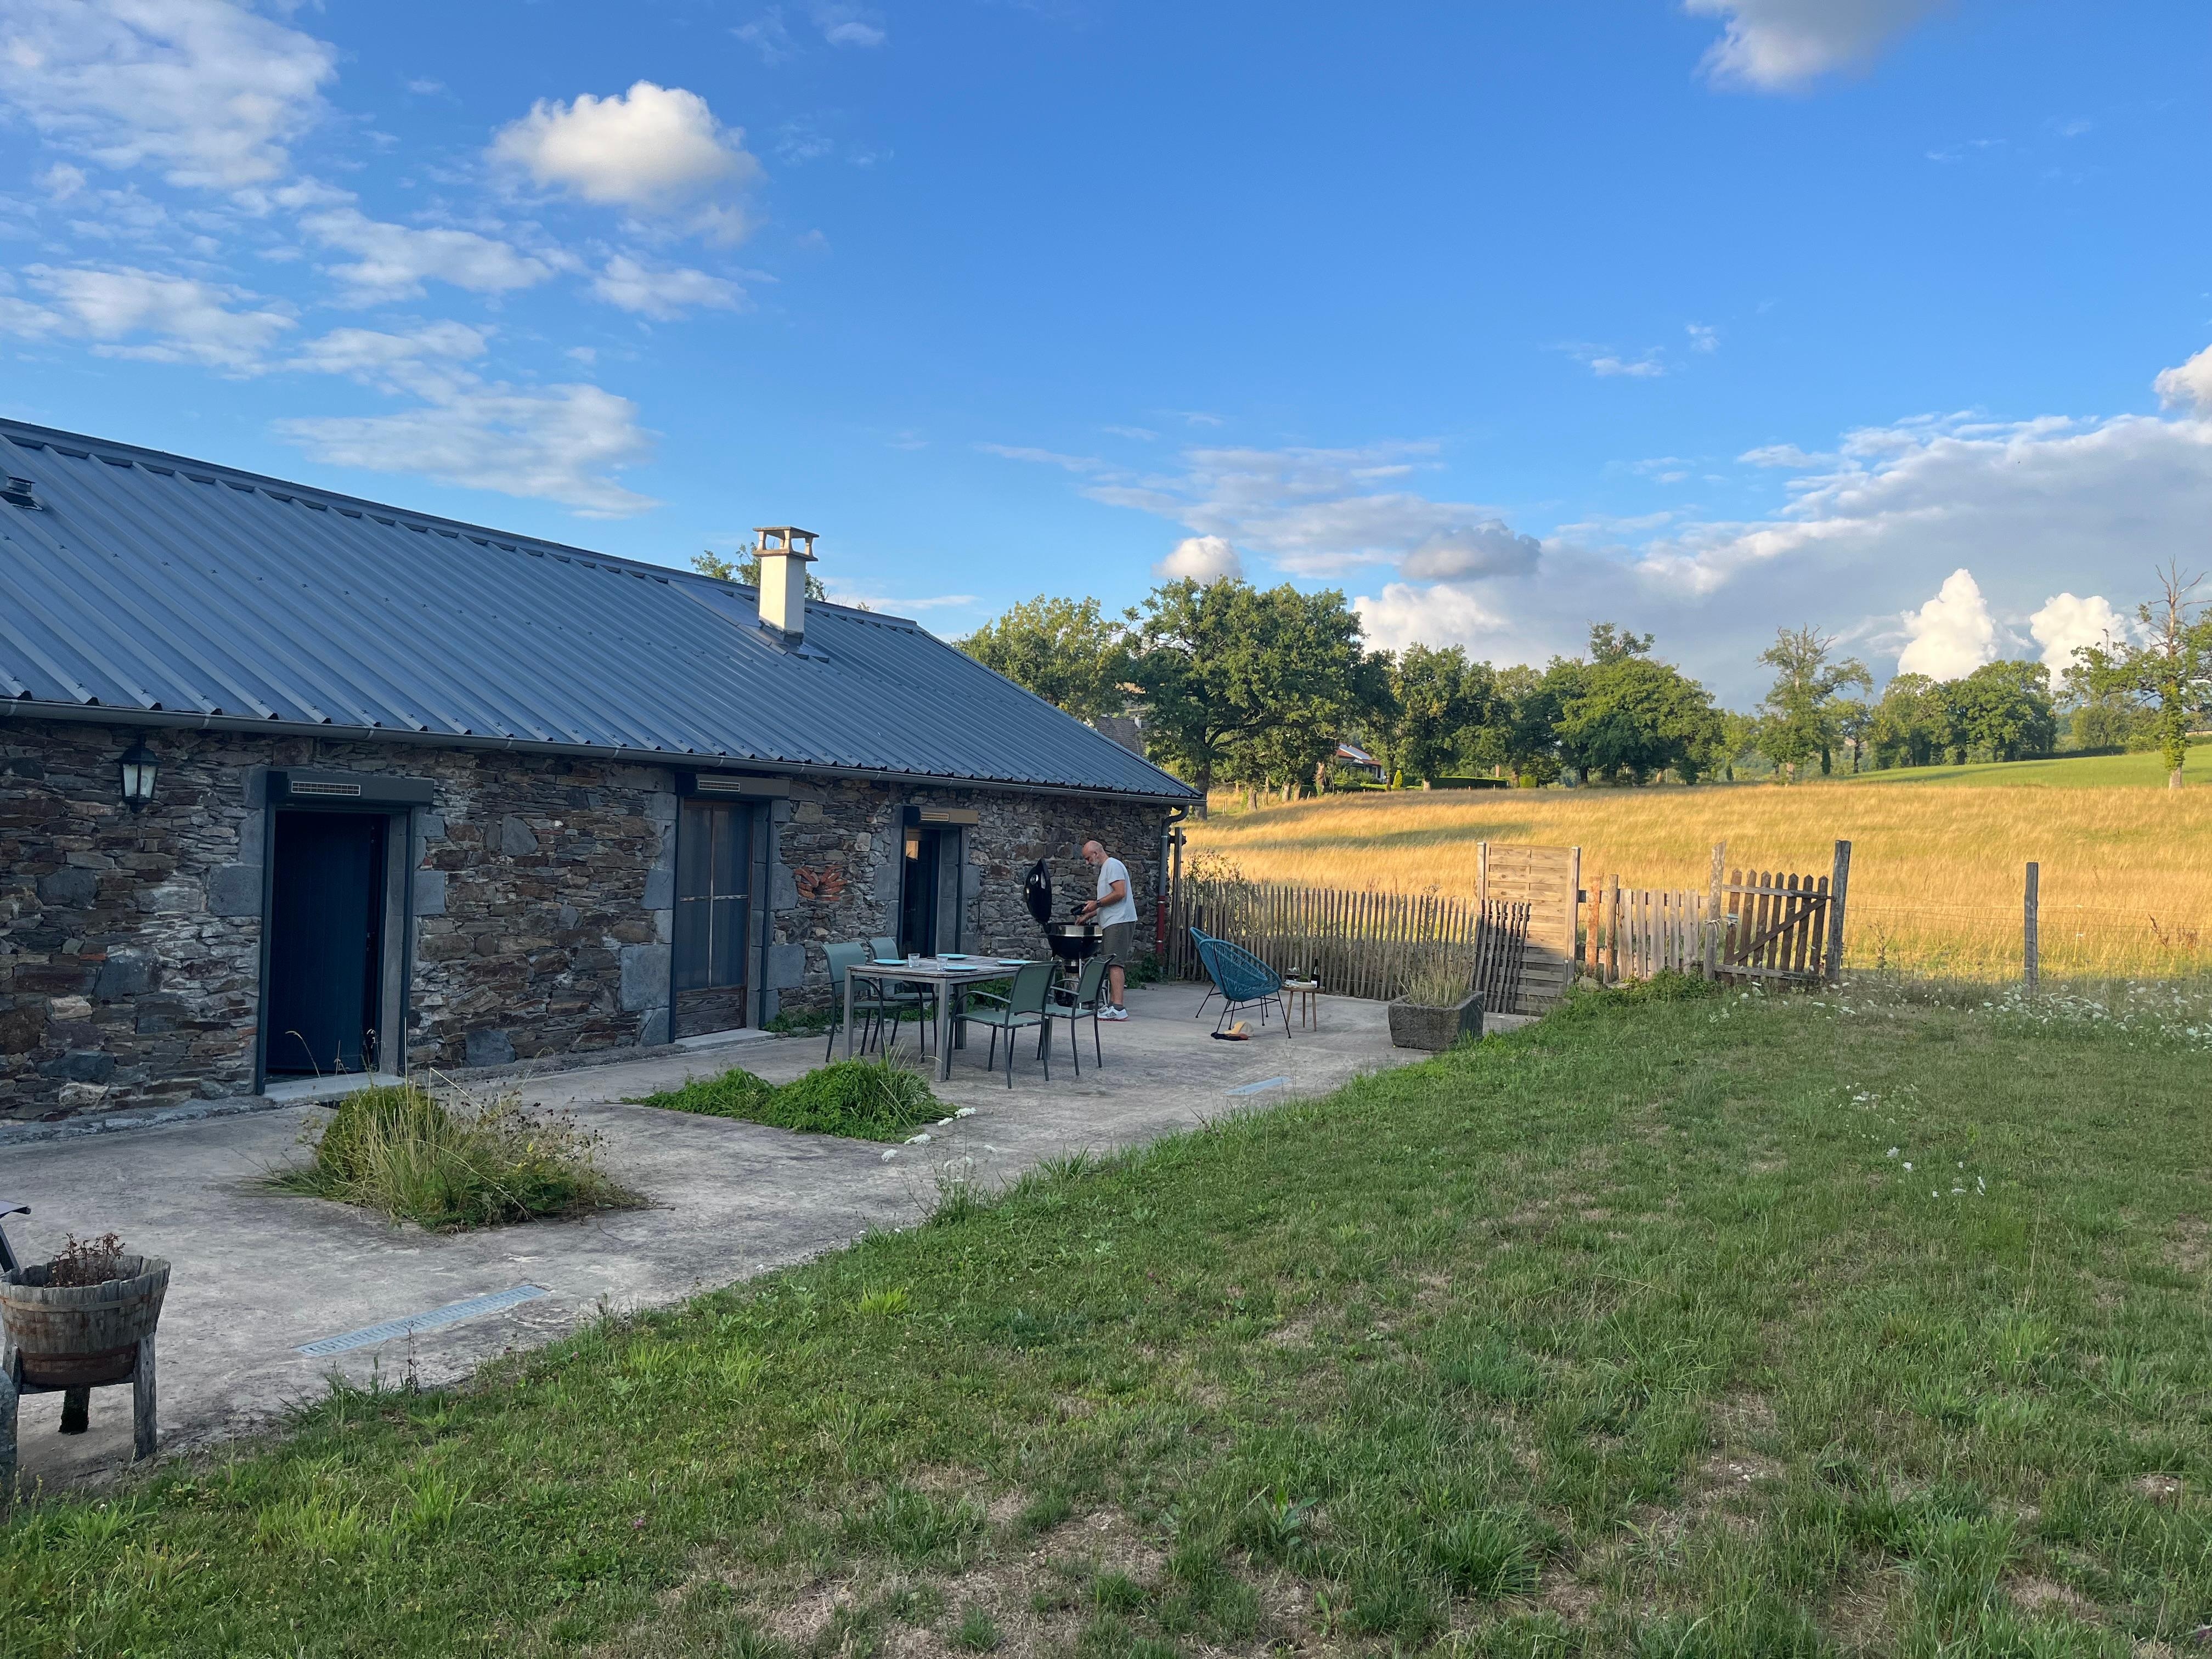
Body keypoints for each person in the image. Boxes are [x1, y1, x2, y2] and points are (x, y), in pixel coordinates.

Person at [1077, 839, 1137, 1019]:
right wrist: (1088, 915)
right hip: (1112, 921)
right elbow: (1107, 901)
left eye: (1088, 858)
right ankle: (1112, 1005)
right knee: (1111, 963)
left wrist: (1095, 903)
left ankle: (1118, 1008)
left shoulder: (1112, 865)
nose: (1088, 863)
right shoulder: (1107, 869)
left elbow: (1120, 893)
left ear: (1096, 853)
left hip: (1119, 922)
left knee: (1115, 964)